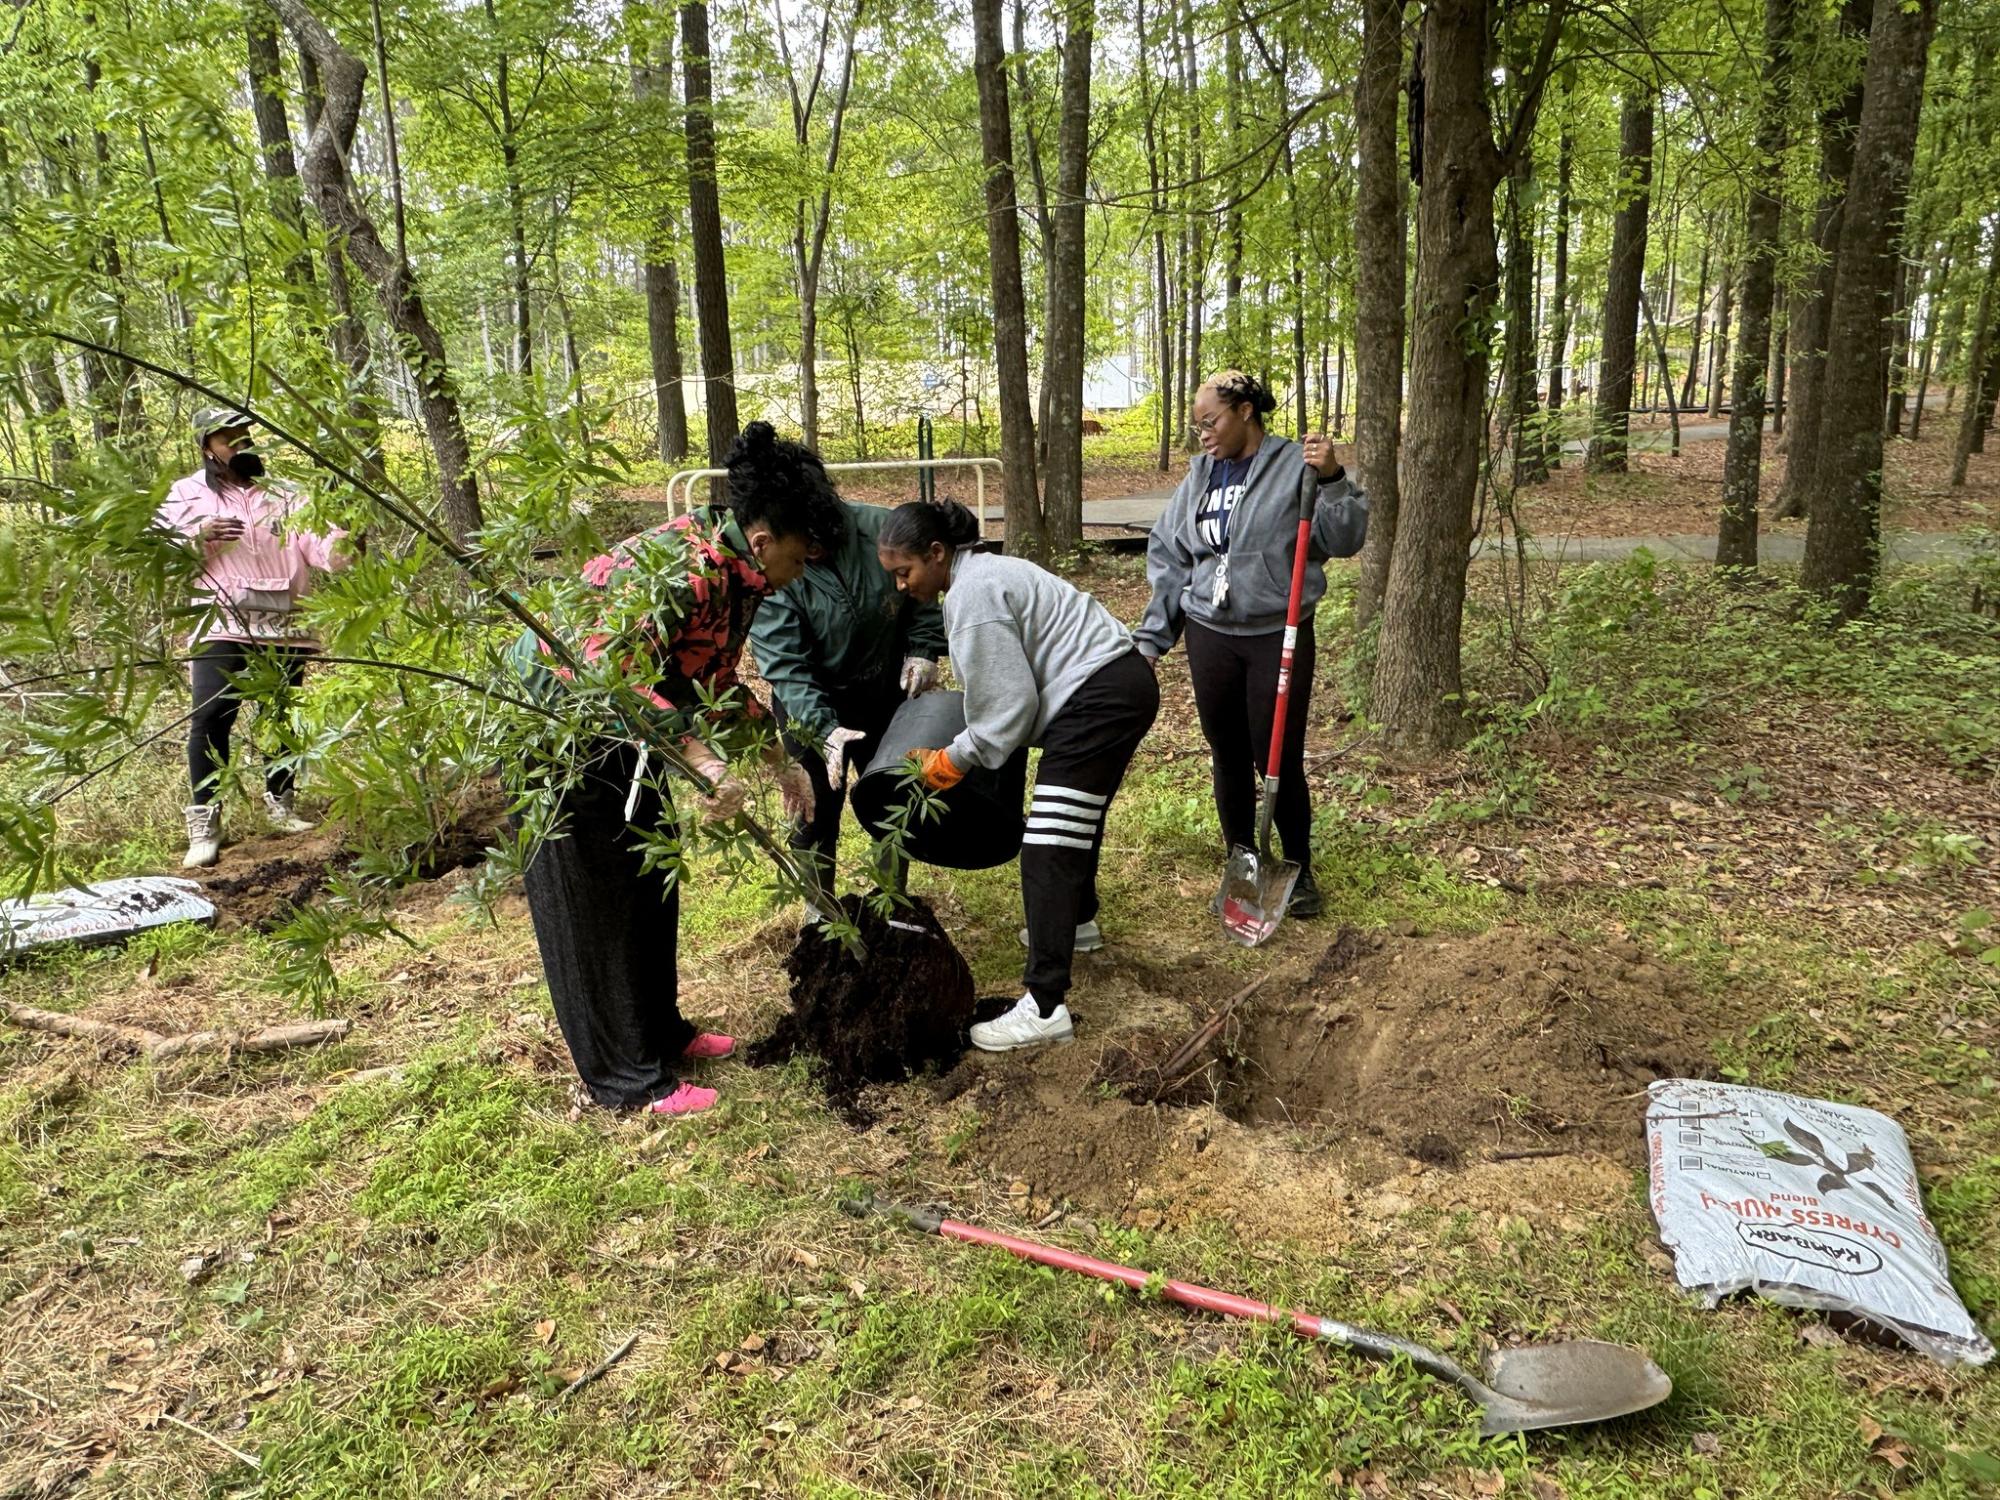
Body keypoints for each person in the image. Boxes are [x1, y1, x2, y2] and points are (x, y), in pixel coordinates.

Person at [508, 421, 824, 1117]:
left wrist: (777, 763)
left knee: (651, 876)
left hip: (632, 730)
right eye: (802, 559)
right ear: (766, 540)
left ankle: (660, 1034)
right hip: (559, 732)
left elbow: (706, 681)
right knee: (598, 900)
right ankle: (626, 1079)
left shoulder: (734, 574)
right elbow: (606, 671)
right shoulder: (684, 565)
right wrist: (704, 759)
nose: (802, 575)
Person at [878, 498, 1159, 1053]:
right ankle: (1077, 922)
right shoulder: (982, 573)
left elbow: (1007, 710)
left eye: (905, 572)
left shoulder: (972, 596)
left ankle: (1045, 1006)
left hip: (1097, 698)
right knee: (1073, 820)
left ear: (937, 554)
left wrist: (950, 760)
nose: (902, 587)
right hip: (1117, 684)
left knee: (1047, 843)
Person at [1135, 371, 1368, 918]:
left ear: (1244, 411)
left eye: (1210, 421)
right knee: (1228, 752)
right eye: (1197, 427)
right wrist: (1153, 636)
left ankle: (1299, 867)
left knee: (1276, 755)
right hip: (1210, 632)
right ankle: (1242, 857)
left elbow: (1346, 537)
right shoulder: (1199, 476)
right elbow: (1169, 550)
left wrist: (1333, 478)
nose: (1204, 435)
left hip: (1274, 633)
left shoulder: (1296, 465)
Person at [155, 407, 355, 869]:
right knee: (210, 717)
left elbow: (327, 555)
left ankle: (281, 802)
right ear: (208, 445)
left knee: (279, 715)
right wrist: (198, 536)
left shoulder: (287, 494)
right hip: (220, 621)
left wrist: (350, 531)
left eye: (246, 435)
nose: (241, 444)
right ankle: (206, 819)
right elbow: (158, 557)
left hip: (285, 622)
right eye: (230, 437)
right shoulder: (185, 494)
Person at [748, 469, 948, 880]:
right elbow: (787, 666)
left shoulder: (881, 530)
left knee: (894, 796)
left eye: (823, 542)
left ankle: (890, 898)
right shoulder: (775, 569)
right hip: (813, 703)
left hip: (886, 693)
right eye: (807, 547)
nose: (815, 552)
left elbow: (922, 593)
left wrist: (924, 651)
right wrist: (823, 729)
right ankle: (820, 913)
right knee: (815, 804)